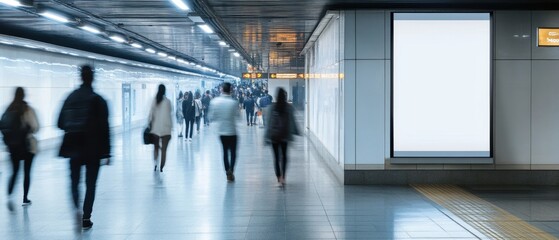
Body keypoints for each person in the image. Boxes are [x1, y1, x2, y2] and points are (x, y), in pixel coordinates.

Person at [58, 65, 110, 229]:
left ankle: (76, 208)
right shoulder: (98, 100)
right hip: (93, 149)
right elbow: (104, 128)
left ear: (80, 77)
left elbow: (59, 123)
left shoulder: (70, 98)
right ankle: (86, 217)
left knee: (74, 181)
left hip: (74, 147)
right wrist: (108, 152)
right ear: (92, 78)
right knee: (90, 184)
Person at [1, 87, 39, 211]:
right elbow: (35, 126)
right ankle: (25, 197)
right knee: (26, 172)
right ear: (24, 95)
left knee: (15, 171)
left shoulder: (8, 109)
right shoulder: (27, 109)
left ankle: (10, 194)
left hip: (13, 146)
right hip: (27, 145)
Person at [265, 88, 299, 185]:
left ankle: (278, 177)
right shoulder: (289, 107)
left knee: (276, 158)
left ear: (275, 96)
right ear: (285, 96)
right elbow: (292, 122)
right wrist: (295, 133)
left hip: (274, 136)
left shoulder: (271, 107)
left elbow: (268, 124)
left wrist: (266, 137)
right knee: (284, 156)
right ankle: (284, 176)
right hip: (285, 136)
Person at [208, 82, 239, 182]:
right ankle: (231, 170)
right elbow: (238, 116)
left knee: (225, 152)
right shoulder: (234, 102)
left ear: (221, 89)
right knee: (233, 153)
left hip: (221, 132)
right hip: (232, 131)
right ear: (230, 90)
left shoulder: (214, 102)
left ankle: (227, 171)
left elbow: (210, 117)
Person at [148, 84, 172, 172]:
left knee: (156, 147)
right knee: (164, 150)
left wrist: (150, 124)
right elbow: (170, 113)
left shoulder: (154, 101)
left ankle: (155, 163)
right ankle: (162, 166)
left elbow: (150, 115)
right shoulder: (168, 101)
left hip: (155, 129)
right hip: (166, 129)